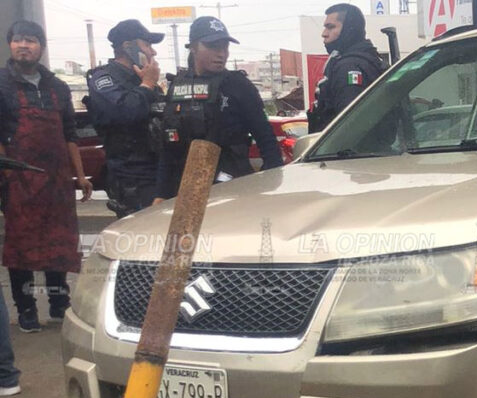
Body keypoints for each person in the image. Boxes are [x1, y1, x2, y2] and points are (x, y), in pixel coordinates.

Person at [0, 20, 92, 333]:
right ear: (10, 45)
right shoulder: (1, 84)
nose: (23, 46)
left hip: (57, 179)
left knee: (58, 242)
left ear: (41, 46)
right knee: (21, 246)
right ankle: (26, 309)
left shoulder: (58, 87)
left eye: (30, 40)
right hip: (18, 179)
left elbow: (70, 135)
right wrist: (6, 173)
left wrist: (80, 176)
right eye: (18, 40)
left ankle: (58, 302)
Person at [154, 16, 283, 203]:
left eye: (225, 47)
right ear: (193, 47)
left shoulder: (238, 85)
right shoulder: (177, 86)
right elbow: (168, 148)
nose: (221, 53)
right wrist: (161, 193)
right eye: (213, 47)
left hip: (232, 189)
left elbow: (266, 139)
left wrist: (270, 185)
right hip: (183, 191)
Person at [85, 19, 165, 217]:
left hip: (159, 172)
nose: (153, 52)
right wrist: (147, 85)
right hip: (132, 178)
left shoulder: (143, 78)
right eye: (147, 45)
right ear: (128, 47)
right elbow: (125, 111)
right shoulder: (105, 79)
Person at [308, 4, 386, 133]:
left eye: (330, 27)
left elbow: (350, 127)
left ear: (349, 29)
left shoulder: (349, 67)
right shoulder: (369, 59)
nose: (324, 34)